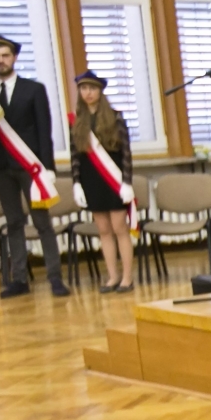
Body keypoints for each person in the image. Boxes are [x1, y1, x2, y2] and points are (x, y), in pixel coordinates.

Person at [0, 35, 68, 299]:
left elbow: (45, 130)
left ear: (15, 58)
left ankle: (55, 278)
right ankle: (19, 279)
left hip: (31, 166)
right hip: (1, 166)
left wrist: (48, 167)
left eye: (5, 55)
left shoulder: (34, 89)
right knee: (13, 223)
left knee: (42, 222)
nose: (1, 60)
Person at [71, 71, 135, 293]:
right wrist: (76, 183)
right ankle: (113, 276)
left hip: (114, 180)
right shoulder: (76, 121)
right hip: (91, 181)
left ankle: (127, 278)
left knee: (119, 228)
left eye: (92, 88)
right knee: (104, 230)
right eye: (83, 88)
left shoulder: (115, 117)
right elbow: (75, 157)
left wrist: (127, 182)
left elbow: (126, 153)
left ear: (100, 91)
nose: (88, 93)